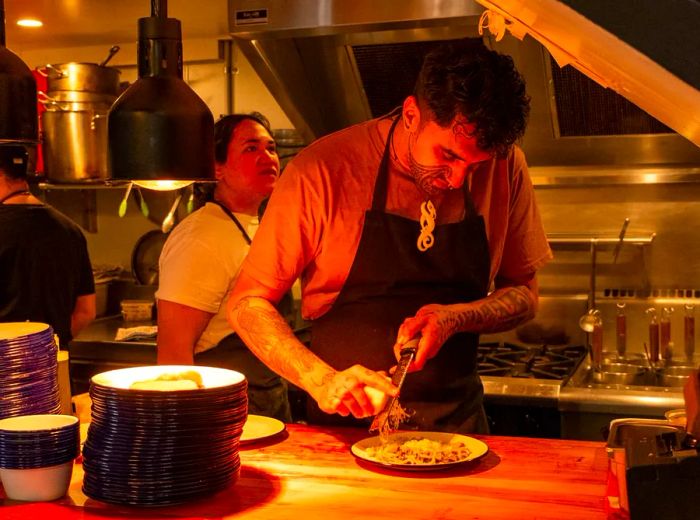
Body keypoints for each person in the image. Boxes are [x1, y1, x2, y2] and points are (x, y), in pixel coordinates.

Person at [226, 40, 552, 433]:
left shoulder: (507, 166)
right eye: (448, 156)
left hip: (461, 431)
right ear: (411, 114)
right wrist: (320, 379)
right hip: (342, 435)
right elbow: (247, 302)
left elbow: (524, 293)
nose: (457, 180)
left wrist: (457, 317)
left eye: (477, 166)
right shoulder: (322, 171)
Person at [156, 112, 292, 422]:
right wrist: (191, 432)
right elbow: (173, 356)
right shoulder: (202, 237)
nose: (267, 157)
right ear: (217, 168)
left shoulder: (260, 225)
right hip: (221, 410)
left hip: (266, 398)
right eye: (251, 148)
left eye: (271, 148)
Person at [0, 144, 96, 348]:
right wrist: (51, 345)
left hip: (5, 369)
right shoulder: (70, 230)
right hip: (53, 363)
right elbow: (86, 311)